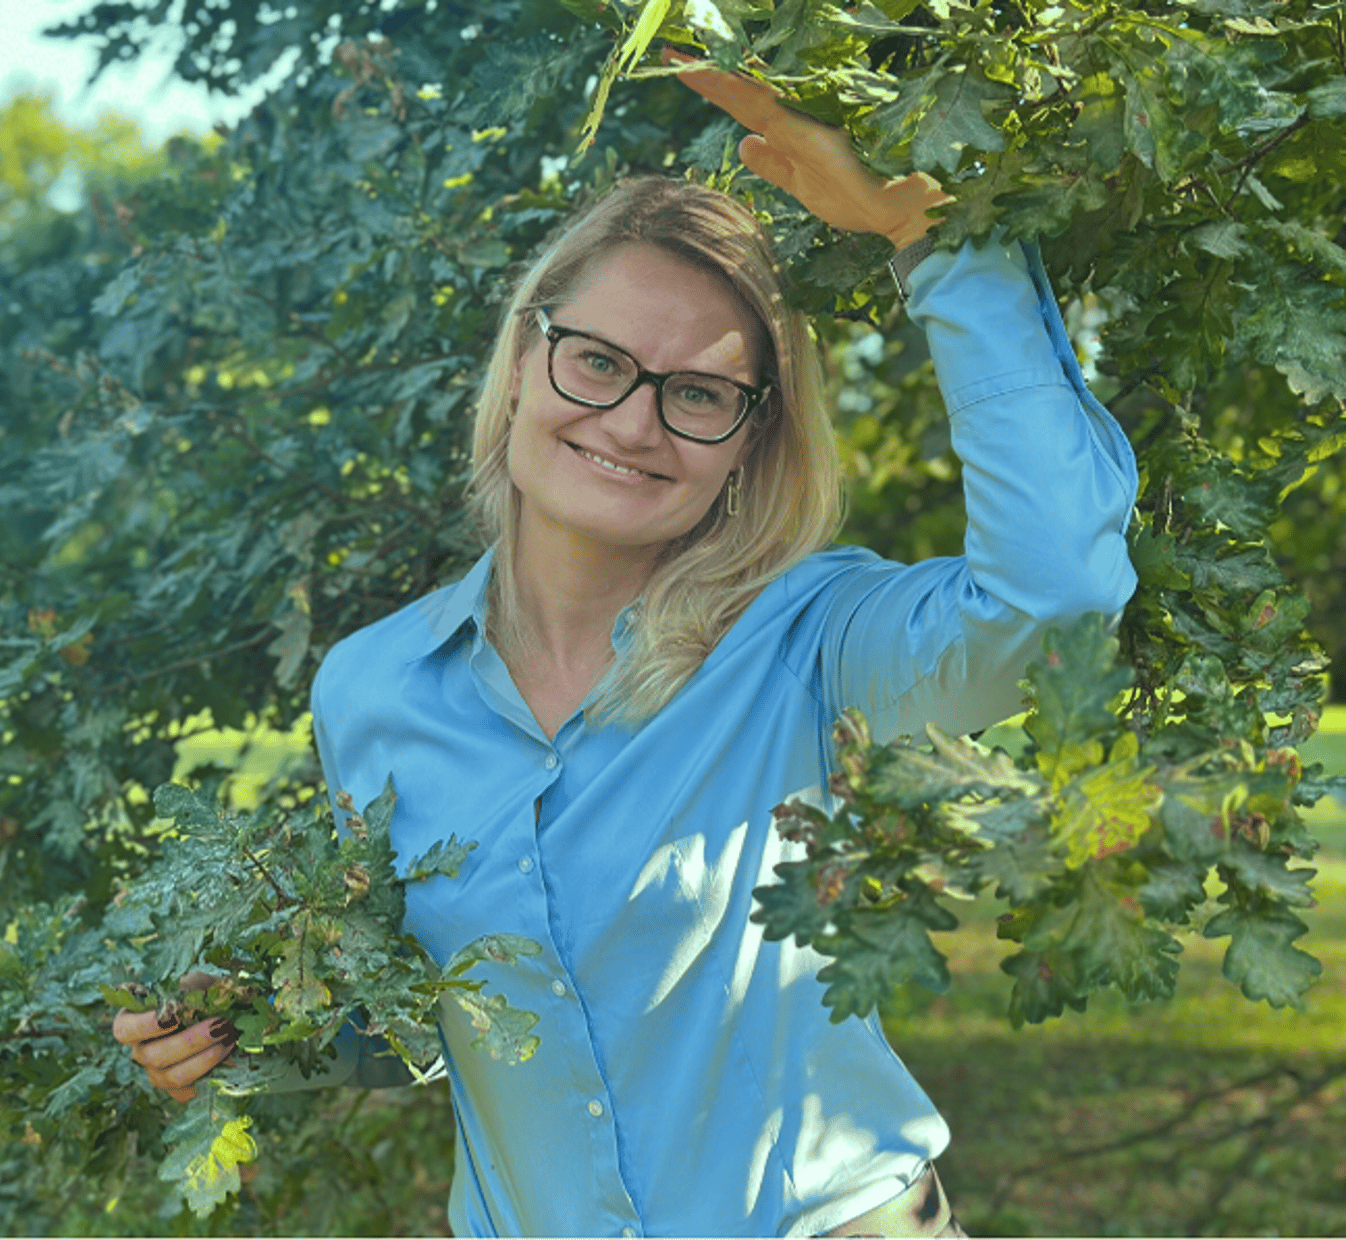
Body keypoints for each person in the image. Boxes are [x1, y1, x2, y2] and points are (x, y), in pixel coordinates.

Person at [113, 59, 1138, 1237]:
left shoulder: (806, 639)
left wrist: (931, 238)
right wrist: (243, 1023)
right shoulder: (372, 688)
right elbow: (434, 1024)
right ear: (523, 358)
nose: (632, 423)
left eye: (699, 394)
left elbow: (1054, 602)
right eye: (598, 362)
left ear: (753, 442)